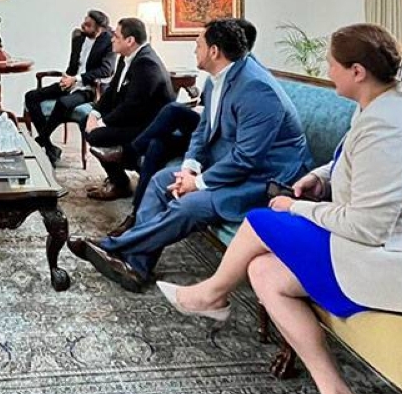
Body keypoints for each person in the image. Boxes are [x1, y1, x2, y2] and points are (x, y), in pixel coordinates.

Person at [158, 23, 402, 394]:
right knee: (263, 271)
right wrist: (321, 177)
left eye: (331, 64)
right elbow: (355, 157)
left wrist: (298, 207)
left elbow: (367, 226)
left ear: (357, 72)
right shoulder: (390, 101)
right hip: (395, 245)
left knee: (261, 221)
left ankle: (211, 294)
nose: (328, 71)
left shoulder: (389, 125)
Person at [69, 19, 311, 292]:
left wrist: (197, 183)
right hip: (231, 164)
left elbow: (247, 158)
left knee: (188, 205)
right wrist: (191, 167)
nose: (194, 50)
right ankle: (136, 267)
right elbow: (203, 129)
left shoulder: (256, 89)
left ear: (214, 51)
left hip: (264, 179)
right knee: (160, 181)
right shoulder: (217, 78)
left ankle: (112, 246)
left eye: (198, 45)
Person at [108, 21, 259, 236]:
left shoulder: (250, 82)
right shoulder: (219, 75)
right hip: (205, 135)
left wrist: (196, 178)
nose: (196, 49)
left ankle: (131, 151)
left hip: (220, 144)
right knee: (157, 144)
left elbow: (236, 138)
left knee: (173, 110)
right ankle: (136, 216)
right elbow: (206, 110)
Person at [81, 17, 175, 201]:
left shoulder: (147, 64)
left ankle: (121, 182)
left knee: (96, 135)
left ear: (130, 40)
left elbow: (132, 107)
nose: (112, 39)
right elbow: (111, 91)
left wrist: (101, 123)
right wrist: (94, 114)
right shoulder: (126, 57)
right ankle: (119, 180)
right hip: (133, 119)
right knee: (87, 124)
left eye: (116, 36)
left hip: (148, 127)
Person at [24, 10, 116, 166]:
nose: (83, 25)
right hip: (70, 82)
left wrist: (77, 79)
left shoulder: (109, 42)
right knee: (31, 96)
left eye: (88, 24)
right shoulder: (79, 38)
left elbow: (106, 70)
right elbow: (73, 66)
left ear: (99, 29)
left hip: (89, 88)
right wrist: (67, 77)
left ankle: (39, 141)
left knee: (64, 103)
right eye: (84, 21)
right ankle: (49, 146)